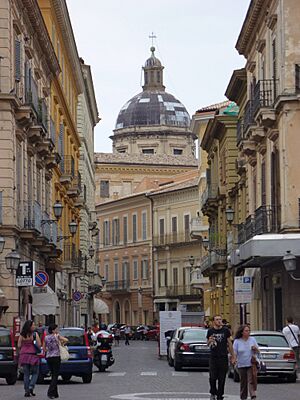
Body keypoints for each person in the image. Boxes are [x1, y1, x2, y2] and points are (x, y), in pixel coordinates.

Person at [207, 315, 236, 400]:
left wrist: (233, 356)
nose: (219, 321)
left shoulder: (225, 330)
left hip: (223, 357)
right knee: (212, 377)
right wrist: (210, 341)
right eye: (217, 319)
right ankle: (213, 391)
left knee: (222, 378)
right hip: (213, 357)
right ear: (213, 322)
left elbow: (229, 344)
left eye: (220, 319)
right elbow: (207, 343)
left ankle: (220, 395)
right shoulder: (210, 331)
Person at [233, 325, 259, 400]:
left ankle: (253, 395)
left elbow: (258, 351)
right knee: (243, 382)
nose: (248, 332)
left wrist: (255, 348)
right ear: (242, 332)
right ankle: (243, 397)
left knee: (251, 380)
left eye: (249, 331)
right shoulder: (237, 341)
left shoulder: (252, 339)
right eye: (246, 331)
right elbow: (235, 352)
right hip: (241, 364)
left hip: (251, 363)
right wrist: (234, 359)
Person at [43, 324, 68, 399]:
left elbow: (44, 348)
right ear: (53, 330)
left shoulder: (46, 337)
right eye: (56, 329)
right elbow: (66, 340)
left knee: (53, 374)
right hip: (56, 357)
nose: (57, 330)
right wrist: (62, 343)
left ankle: (55, 393)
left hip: (49, 357)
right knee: (55, 375)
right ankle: (50, 392)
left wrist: (49, 350)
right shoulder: (57, 336)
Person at [18, 320, 41, 397]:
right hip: (33, 355)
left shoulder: (22, 334)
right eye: (33, 325)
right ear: (30, 326)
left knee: (26, 374)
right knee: (35, 373)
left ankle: (26, 390)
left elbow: (18, 345)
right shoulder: (34, 334)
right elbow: (39, 344)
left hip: (24, 355)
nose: (34, 326)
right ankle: (31, 386)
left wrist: (24, 347)